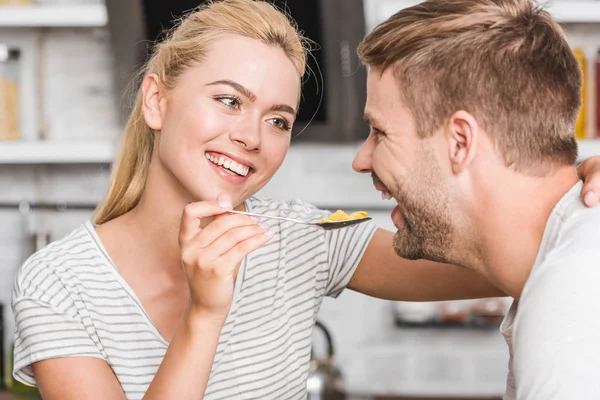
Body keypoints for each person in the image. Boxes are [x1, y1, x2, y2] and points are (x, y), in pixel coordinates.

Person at [9, 0, 600, 399]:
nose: (250, 136)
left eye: (279, 119)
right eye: (229, 100)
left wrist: (571, 184)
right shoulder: (58, 285)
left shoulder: (300, 237)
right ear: (156, 100)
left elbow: (503, 245)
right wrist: (203, 316)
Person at [352, 0, 600, 399]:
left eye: (379, 132)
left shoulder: (572, 306)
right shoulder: (570, 257)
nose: (361, 160)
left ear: (459, 142)